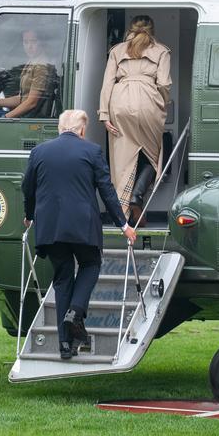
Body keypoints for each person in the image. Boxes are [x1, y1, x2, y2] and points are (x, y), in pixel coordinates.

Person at [22, 110, 137, 360]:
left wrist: (29, 215)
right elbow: (106, 190)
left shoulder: (39, 152)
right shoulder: (92, 151)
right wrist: (123, 225)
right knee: (90, 264)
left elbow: (28, 188)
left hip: (51, 227)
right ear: (82, 130)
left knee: (63, 279)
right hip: (83, 225)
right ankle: (75, 311)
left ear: (60, 128)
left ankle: (65, 345)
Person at [98, 15, 172, 226]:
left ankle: (122, 211)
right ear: (152, 29)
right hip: (149, 101)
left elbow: (107, 84)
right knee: (153, 155)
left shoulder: (116, 50)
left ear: (130, 29)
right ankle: (136, 196)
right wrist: (161, 103)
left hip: (119, 102)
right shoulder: (162, 51)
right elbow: (164, 84)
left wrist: (104, 114)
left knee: (122, 159)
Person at [0, 29, 52, 118]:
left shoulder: (41, 67)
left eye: (33, 42)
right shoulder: (32, 62)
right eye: (26, 42)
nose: (29, 46)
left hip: (28, 119)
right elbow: (21, 99)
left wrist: (6, 117)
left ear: (42, 43)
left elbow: (31, 103)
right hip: (24, 116)